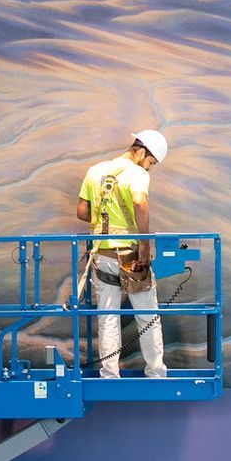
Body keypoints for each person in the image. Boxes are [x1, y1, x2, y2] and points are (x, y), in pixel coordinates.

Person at [76, 129, 170, 379]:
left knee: (108, 317)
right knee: (147, 316)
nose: (149, 169)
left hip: (102, 255)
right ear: (140, 152)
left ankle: (109, 374)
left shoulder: (95, 171)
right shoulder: (137, 174)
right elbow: (140, 202)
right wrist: (145, 245)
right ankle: (156, 374)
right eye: (150, 163)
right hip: (132, 258)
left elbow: (83, 211)